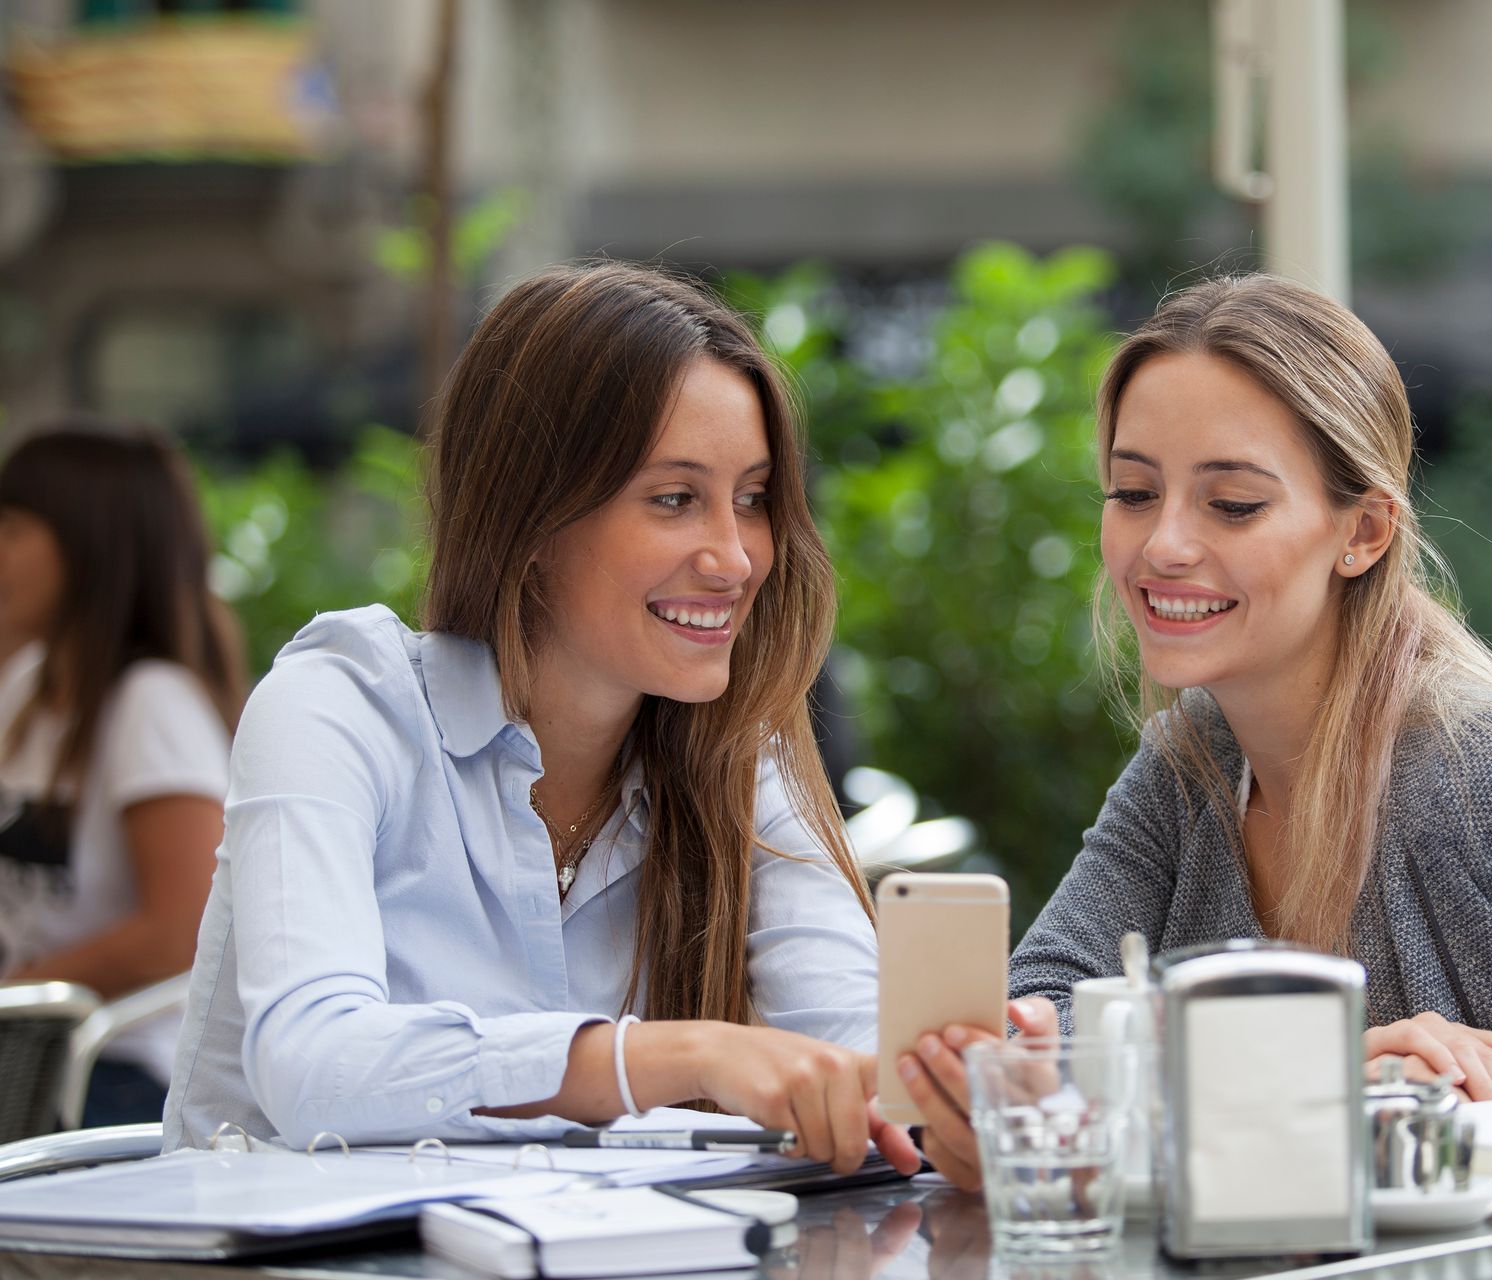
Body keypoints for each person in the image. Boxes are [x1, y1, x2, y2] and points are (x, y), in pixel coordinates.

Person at [897, 275, 1492, 1202]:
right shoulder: (1192, 760)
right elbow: (1049, 1014)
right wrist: (1300, 1086)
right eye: (1133, 493)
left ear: (1364, 532)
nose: (1162, 546)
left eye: (1232, 505)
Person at [163, 262, 919, 1179]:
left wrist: (968, 1077)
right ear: (534, 514)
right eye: (675, 499)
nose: (735, 557)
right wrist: (677, 1056)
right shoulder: (338, 707)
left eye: (752, 500)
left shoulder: (733, 754)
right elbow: (314, 1064)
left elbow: (856, 1041)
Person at [0, 424, 244, 1126]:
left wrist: (25, 986)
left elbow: (181, 929)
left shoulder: (150, 705)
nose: (1, 552)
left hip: (117, 1072)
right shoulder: (27, 686)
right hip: (33, 1045)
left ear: (87, 546)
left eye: (14, 530)